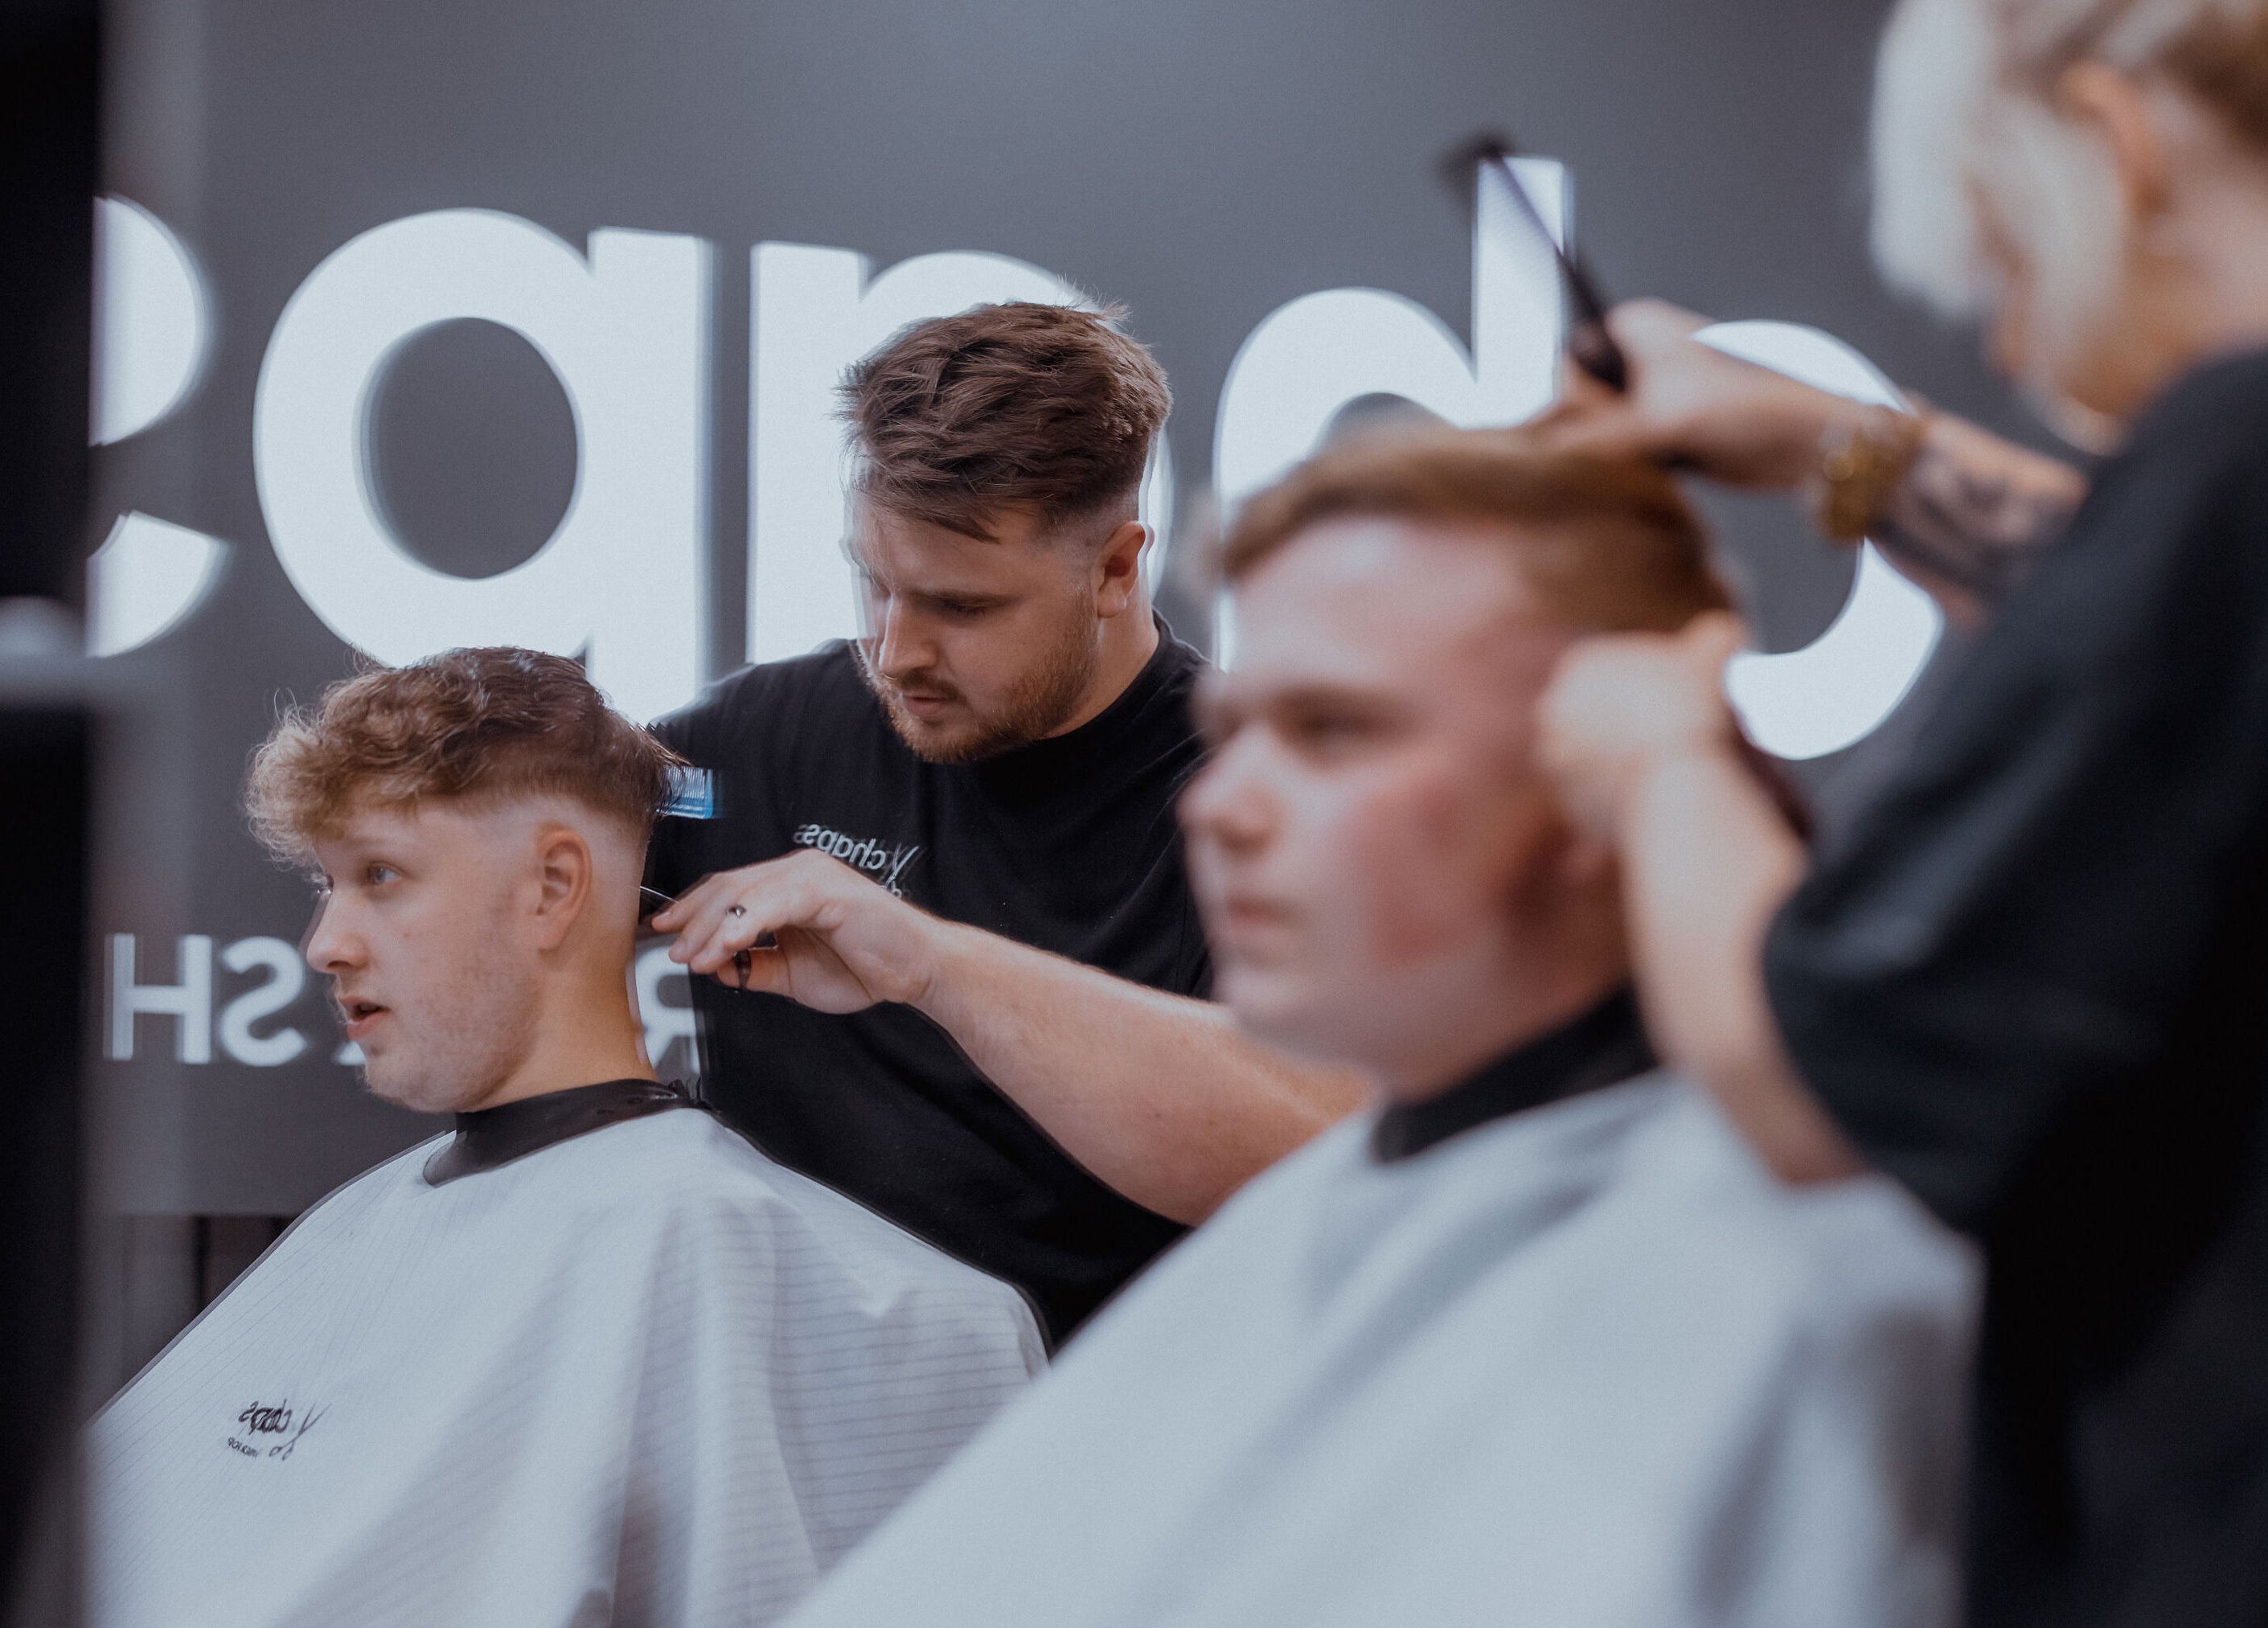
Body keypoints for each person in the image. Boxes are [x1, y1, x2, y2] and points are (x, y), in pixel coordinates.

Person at [774, 430, 1977, 1628]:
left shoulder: (1822, 1302)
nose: (1220, 802)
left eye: (1335, 730)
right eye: (1237, 728)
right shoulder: (1342, 1211)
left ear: (1602, 772)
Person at [1535, 1, 2268, 1622]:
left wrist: (1662, 752)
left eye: (2003, 262)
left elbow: (1806, 1079)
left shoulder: (2229, 445)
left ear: (2115, 146)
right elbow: (2151, 607)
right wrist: (1830, 448)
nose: (2006, 349)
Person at [89, 648, 1043, 1628]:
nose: (325, 942)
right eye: (330, 884)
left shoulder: (741, 1261)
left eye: (380, 875)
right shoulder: (363, 1225)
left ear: (552, 886)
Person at [646, 300, 1360, 1343]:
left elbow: (1329, 1138)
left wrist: (931, 963)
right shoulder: (761, 738)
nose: (894, 651)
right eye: (873, 584)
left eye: (961, 607)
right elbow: (532, 859)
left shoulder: (1265, 801)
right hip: (770, 1445)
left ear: (1116, 568)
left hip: (1088, 1459)